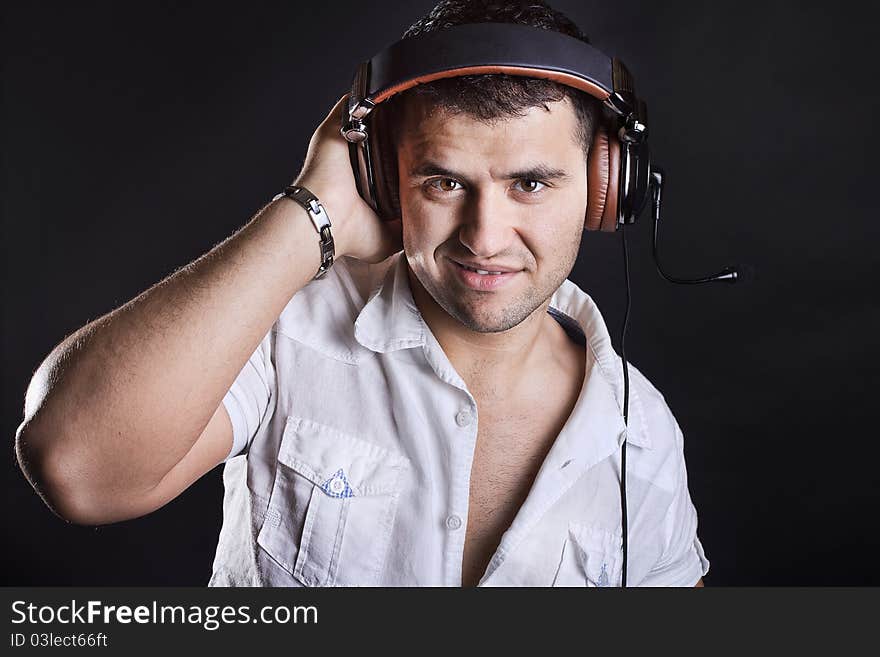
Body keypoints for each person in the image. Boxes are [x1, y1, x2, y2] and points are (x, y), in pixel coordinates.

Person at [15, 0, 709, 587]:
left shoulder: (642, 437)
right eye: (444, 181)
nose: (486, 236)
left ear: (605, 186)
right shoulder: (286, 323)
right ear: (381, 176)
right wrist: (312, 209)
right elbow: (74, 466)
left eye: (530, 183)